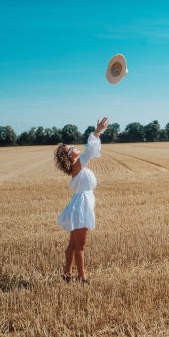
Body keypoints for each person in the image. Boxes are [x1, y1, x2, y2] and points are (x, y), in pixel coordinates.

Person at [54, 117, 109, 284]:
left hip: (80, 204)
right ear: (70, 156)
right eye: (71, 147)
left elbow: (90, 151)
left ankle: (67, 273)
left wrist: (98, 131)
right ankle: (82, 277)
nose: (74, 146)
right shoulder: (77, 165)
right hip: (81, 206)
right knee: (80, 246)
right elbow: (90, 150)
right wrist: (98, 130)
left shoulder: (78, 166)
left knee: (73, 244)